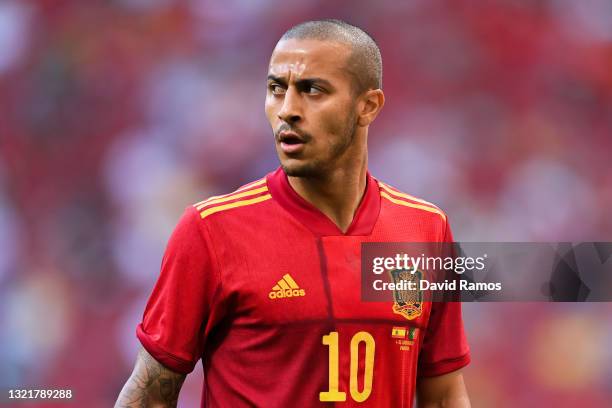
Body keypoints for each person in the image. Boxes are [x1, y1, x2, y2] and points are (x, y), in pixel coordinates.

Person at [115, 19, 470, 408]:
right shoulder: (212, 231)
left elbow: (444, 395)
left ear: (367, 106)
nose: (288, 110)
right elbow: (148, 395)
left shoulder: (426, 229)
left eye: (312, 90)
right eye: (276, 89)